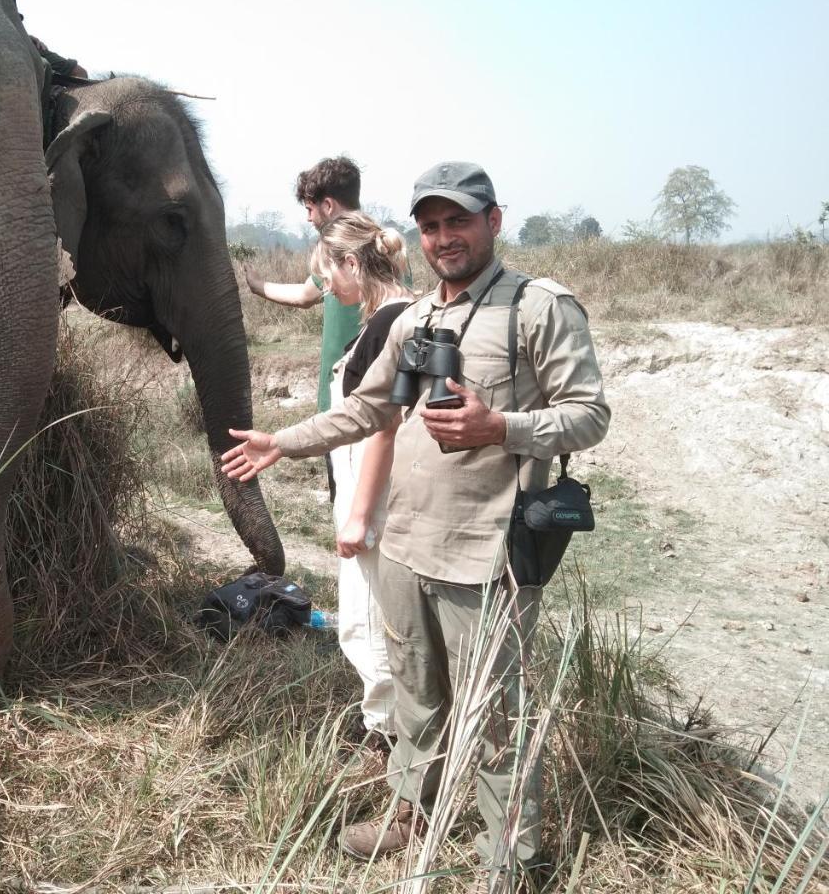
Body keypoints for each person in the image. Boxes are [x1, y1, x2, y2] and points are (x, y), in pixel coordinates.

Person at [222, 162, 610, 887]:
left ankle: (511, 860)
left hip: (487, 556)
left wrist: (501, 426)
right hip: (404, 546)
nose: (443, 237)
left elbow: (589, 415)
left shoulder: (539, 308)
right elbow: (369, 410)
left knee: (495, 720)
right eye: (430, 225)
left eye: (458, 220)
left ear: (493, 221)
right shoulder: (416, 318)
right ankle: (413, 814)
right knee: (414, 697)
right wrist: (285, 441)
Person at [312, 212, 417, 757]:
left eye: (328, 272)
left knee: (367, 622)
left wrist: (358, 515)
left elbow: (383, 428)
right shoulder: (403, 313)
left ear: (352, 263)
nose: (326, 286)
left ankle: (386, 741)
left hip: (374, 495)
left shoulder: (386, 325)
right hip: (380, 492)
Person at [243, 156, 365, 502]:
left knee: (353, 504)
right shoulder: (375, 243)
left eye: (311, 208)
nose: (309, 218)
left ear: (328, 205)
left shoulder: (347, 249)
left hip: (356, 399)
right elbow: (305, 294)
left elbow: (303, 296)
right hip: (351, 399)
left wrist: (257, 286)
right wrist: (258, 286)